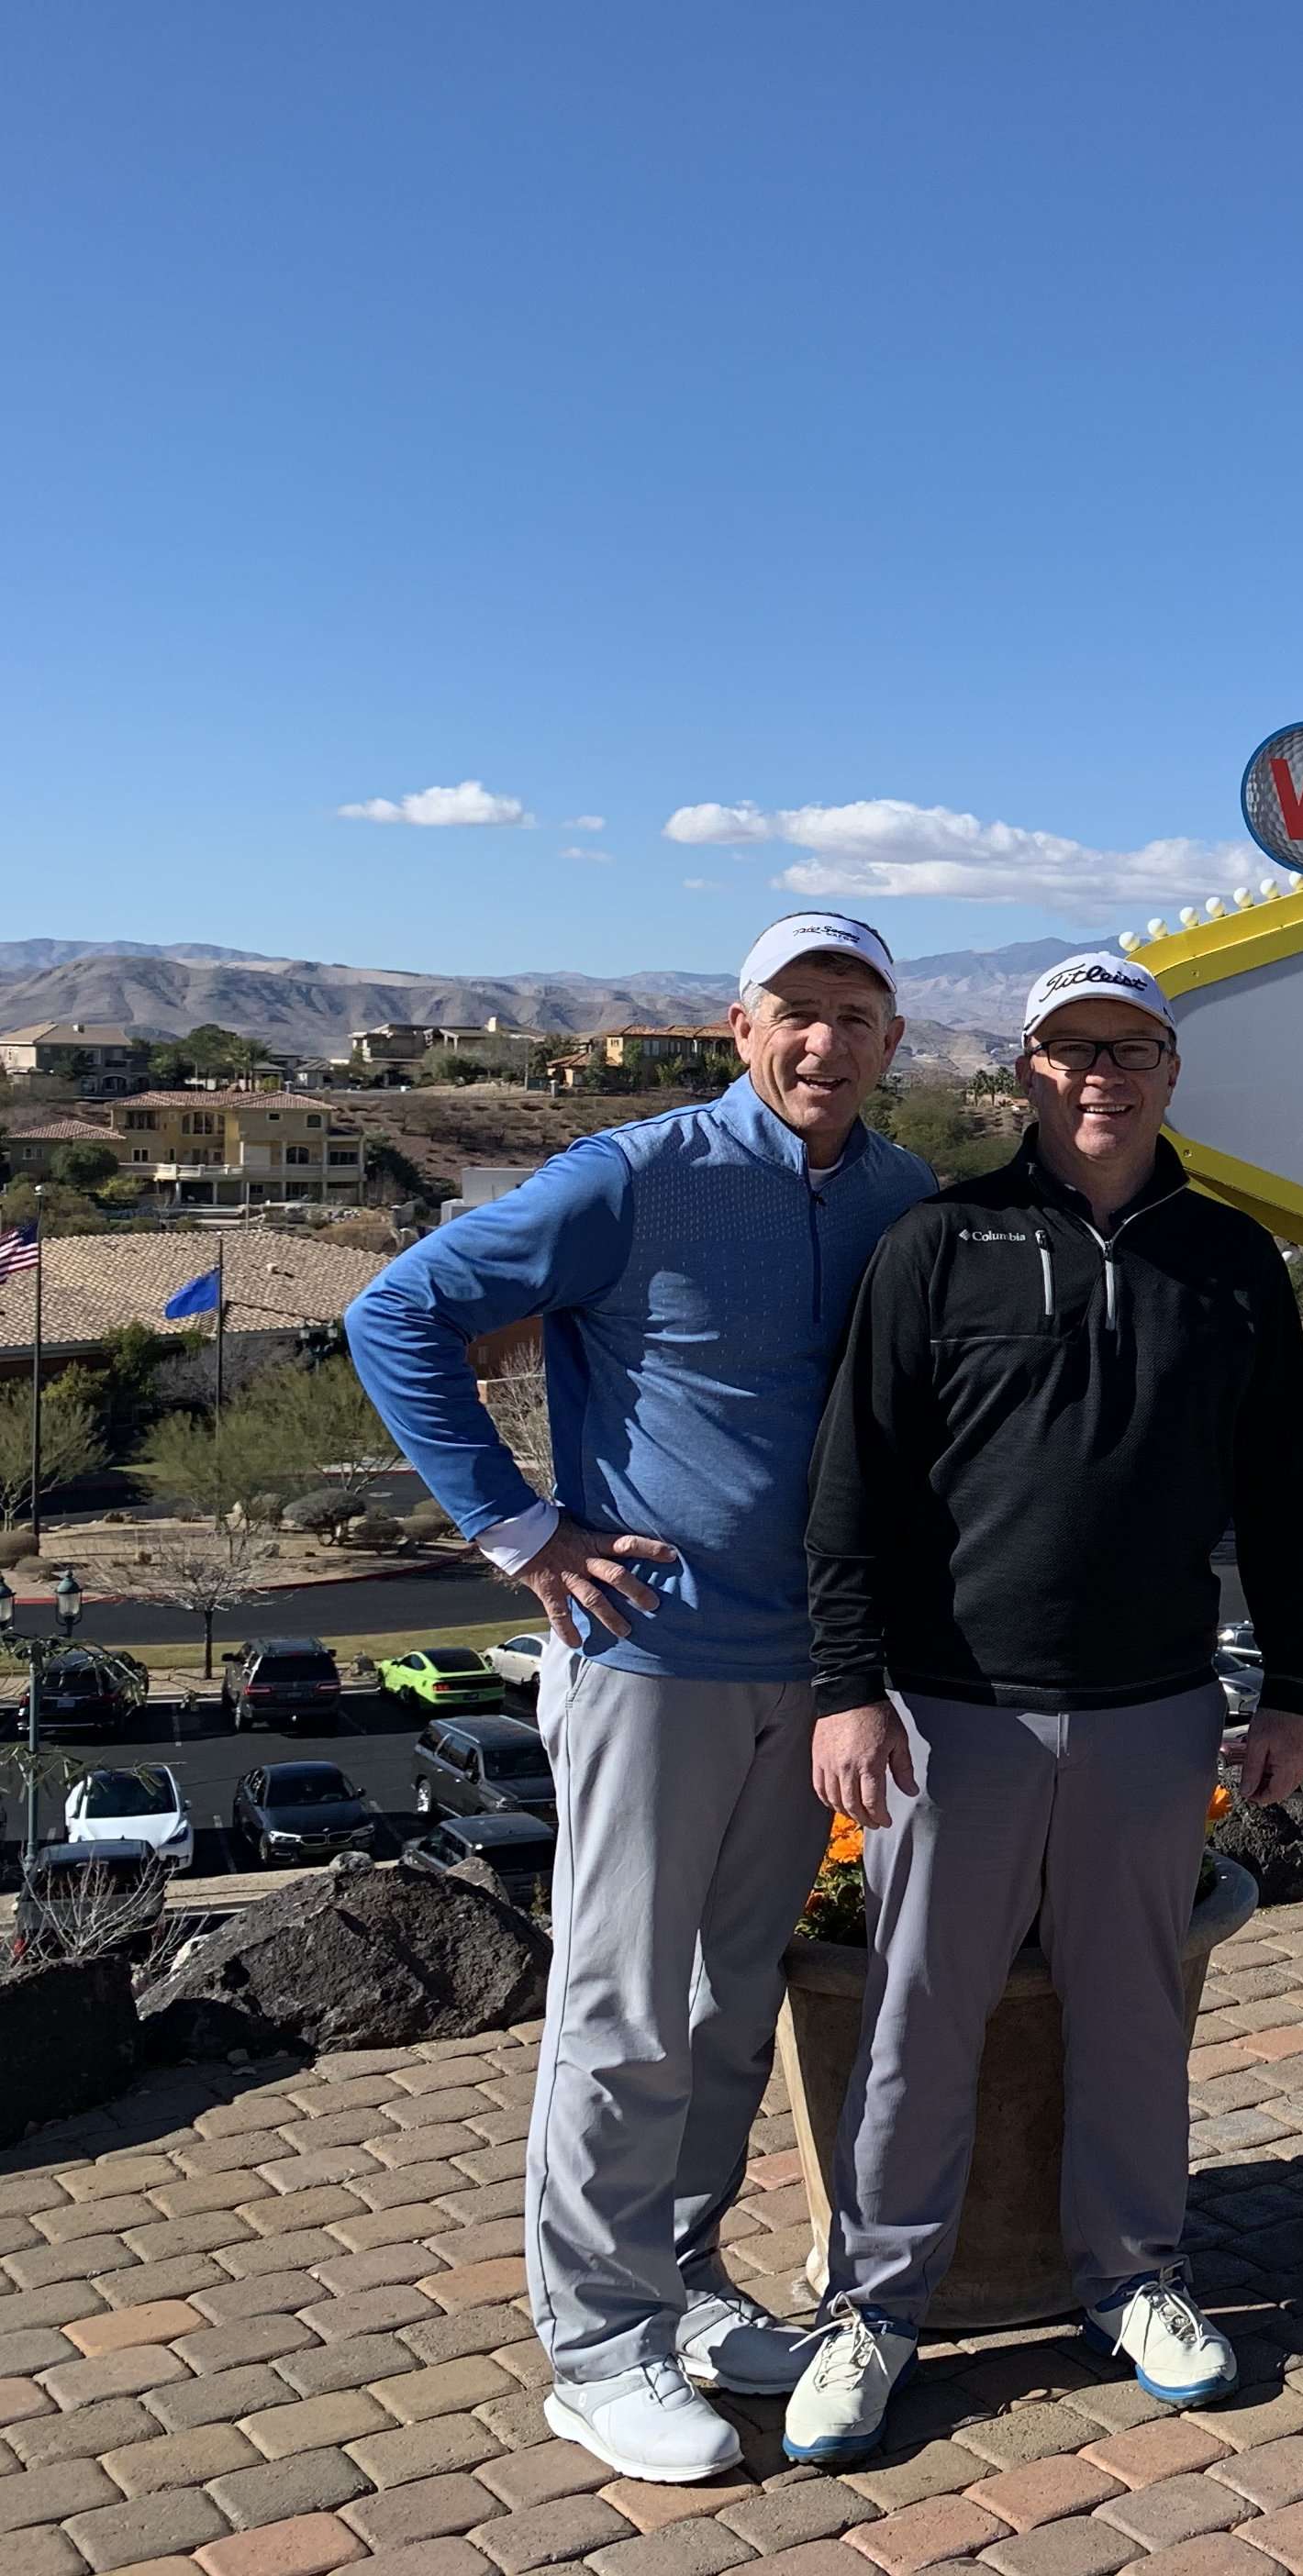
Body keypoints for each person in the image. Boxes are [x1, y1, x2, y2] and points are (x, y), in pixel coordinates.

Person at [344, 913, 935, 2483]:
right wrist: (520, 1526)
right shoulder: (635, 1172)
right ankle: (594, 2347)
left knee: (725, 2002)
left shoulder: (899, 1196)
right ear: (741, 1027)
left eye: (856, 1014)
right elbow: (397, 1313)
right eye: (796, 1011)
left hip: (810, 1671)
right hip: (648, 1658)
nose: (824, 1042)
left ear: (892, 1042)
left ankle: (679, 2285)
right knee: (616, 2012)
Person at [781, 951, 1303, 2463]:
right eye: (1074, 1047)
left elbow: (1283, 1495)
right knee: (917, 2016)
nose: (1104, 1073)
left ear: (1168, 1068)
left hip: (1154, 1702)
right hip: (953, 1708)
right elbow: (853, 1488)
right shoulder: (937, 1241)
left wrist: (1288, 1684)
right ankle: (875, 2302)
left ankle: (1135, 2278)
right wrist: (848, 1685)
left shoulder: (1228, 1256)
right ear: (1025, 1069)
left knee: (1136, 2012)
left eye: (1132, 1045)